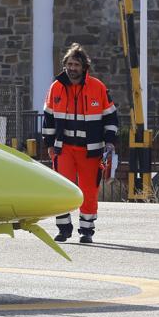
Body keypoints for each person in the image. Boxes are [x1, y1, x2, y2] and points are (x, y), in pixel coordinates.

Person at [41, 43, 118, 243]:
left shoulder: (98, 88)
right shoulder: (55, 87)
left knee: (89, 191)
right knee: (61, 189)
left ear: (84, 67)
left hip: (91, 151)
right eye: (69, 64)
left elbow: (111, 119)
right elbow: (48, 119)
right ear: (65, 65)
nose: (72, 68)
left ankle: (86, 230)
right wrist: (49, 144)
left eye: (76, 64)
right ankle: (63, 228)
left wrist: (109, 143)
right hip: (63, 149)